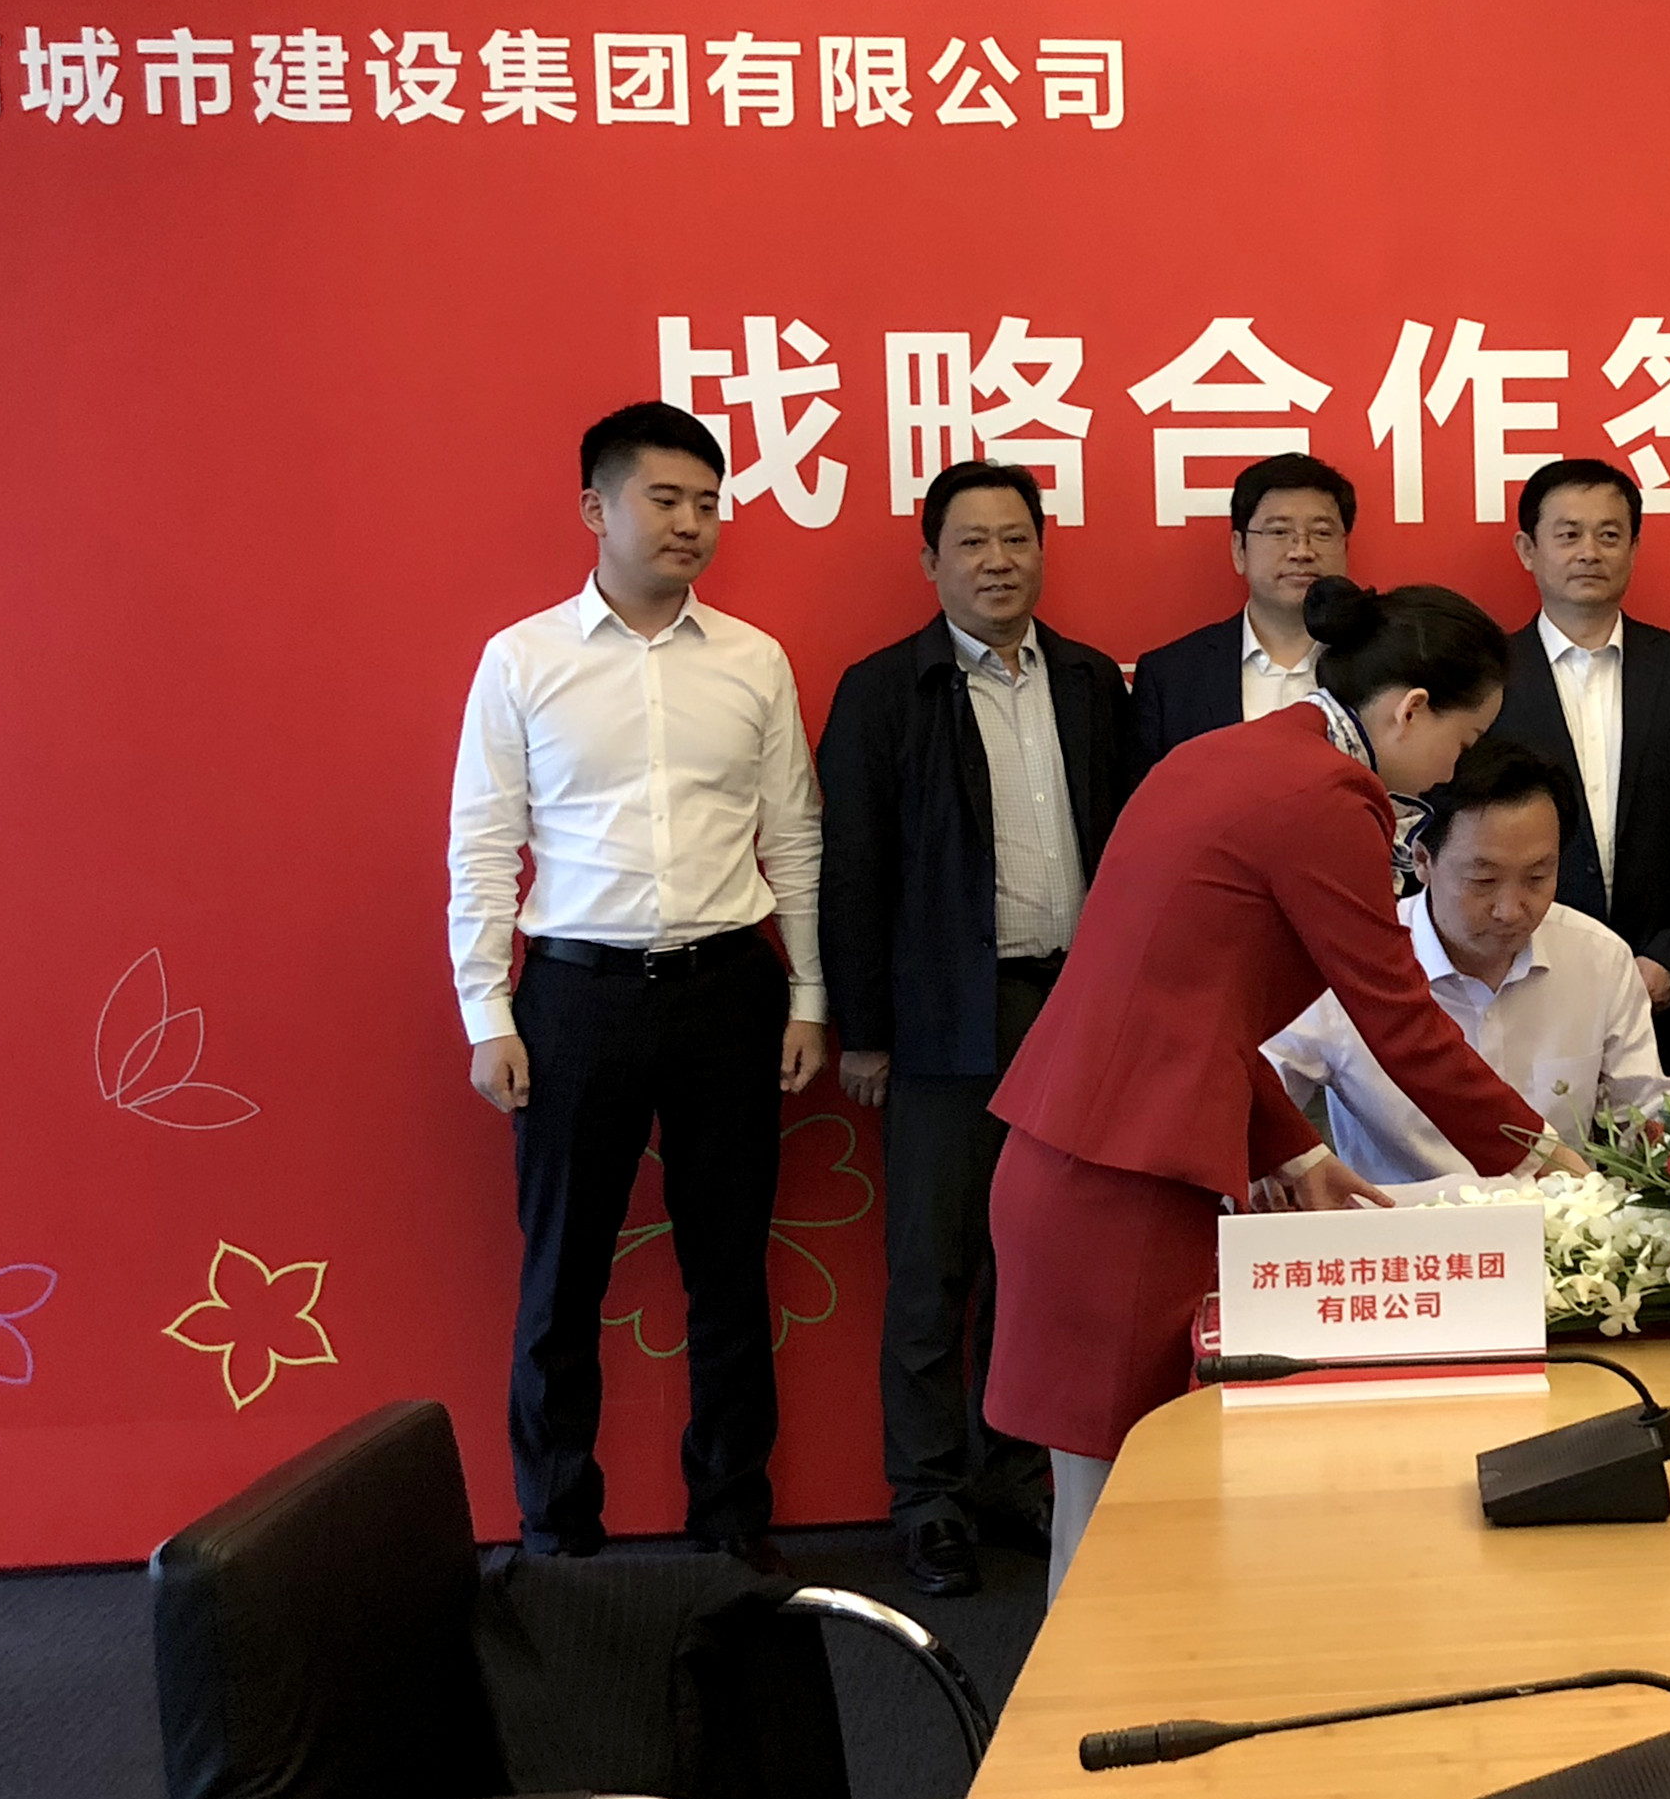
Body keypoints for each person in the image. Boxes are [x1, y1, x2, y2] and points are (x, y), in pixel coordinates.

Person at [986, 576, 1585, 1600]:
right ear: (1410, 710)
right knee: (1122, 1521)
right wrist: (1548, 1160)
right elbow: (1400, 1022)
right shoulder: (1326, 798)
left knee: (1110, 1508)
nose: (1458, 766)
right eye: (1464, 737)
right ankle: (1092, 1702)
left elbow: (1182, 1011)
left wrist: (1296, 1147)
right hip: (1124, 1187)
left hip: (1080, 1158)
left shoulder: (1231, 755)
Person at [444, 401, 830, 1569]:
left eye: (708, 503)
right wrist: (486, 1011)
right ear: (594, 507)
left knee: (729, 1271)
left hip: (729, 990)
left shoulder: (754, 660)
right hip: (575, 998)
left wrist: (810, 994)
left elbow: (794, 837)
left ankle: (732, 1524)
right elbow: (482, 844)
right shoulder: (523, 659)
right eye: (664, 499)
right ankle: (558, 1533)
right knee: (562, 1275)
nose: (691, 523)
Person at [818, 459, 1135, 1597]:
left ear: (1042, 548)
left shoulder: (1092, 681)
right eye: (972, 543)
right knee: (933, 1263)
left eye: (1016, 539)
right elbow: (852, 867)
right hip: (945, 1012)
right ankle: (927, 1496)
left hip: (1075, 1010)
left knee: (1039, 1257)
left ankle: (1008, 1470)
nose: (998, 562)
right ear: (931, 562)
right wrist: (864, 1029)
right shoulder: (883, 688)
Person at [1263, 736, 1670, 1182]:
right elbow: (1254, 1090)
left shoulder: (1597, 957)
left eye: (1537, 877)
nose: (1511, 910)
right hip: (1404, 1223)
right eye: (1483, 881)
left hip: (1559, 1222)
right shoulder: (1348, 962)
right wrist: (1298, 1161)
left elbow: (1643, 1118)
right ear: (1422, 860)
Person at [1487, 458, 1670, 1074]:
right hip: (1524, 981)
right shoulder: (1487, 677)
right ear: (1528, 549)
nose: (1589, 552)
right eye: (1568, 534)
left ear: (1633, 547)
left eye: (1609, 535)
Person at [1127, 451, 1354, 773]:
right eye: (1279, 532)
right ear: (1239, 549)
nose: (1301, 551)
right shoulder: (1171, 677)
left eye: (1321, 533)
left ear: (1345, 547)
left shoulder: (1387, 663)